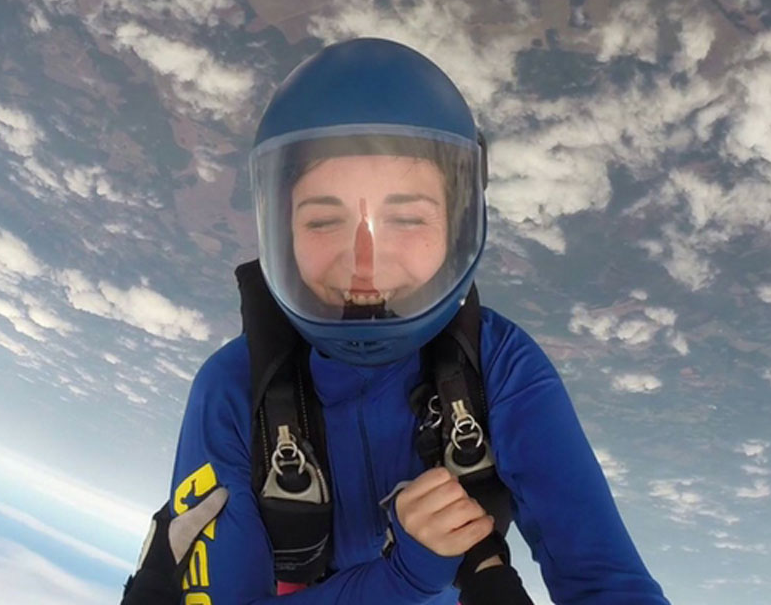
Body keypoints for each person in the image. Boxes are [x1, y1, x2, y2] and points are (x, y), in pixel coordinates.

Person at [122, 38, 670, 604]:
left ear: (456, 225)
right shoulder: (235, 391)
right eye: (322, 221)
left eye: (406, 218)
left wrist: (415, 574)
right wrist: (407, 574)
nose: (365, 263)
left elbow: (608, 579)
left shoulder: (497, 367)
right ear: (279, 232)